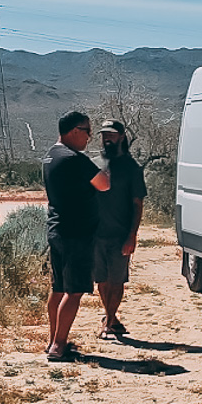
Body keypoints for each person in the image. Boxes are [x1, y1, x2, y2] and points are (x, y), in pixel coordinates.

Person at [42, 110, 109, 361]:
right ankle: (59, 346)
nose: (90, 137)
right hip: (76, 233)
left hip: (57, 230)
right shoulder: (74, 159)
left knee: (58, 288)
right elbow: (104, 183)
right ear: (73, 131)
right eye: (87, 131)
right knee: (74, 291)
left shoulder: (50, 155)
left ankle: (53, 340)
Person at [92, 119, 147, 339]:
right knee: (101, 280)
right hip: (95, 234)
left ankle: (109, 321)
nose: (107, 138)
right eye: (104, 134)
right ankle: (111, 318)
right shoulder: (94, 163)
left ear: (122, 137)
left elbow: (137, 204)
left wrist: (132, 235)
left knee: (117, 280)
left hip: (120, 234)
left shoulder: (131, 168)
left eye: (112, 134)